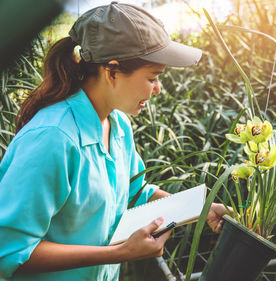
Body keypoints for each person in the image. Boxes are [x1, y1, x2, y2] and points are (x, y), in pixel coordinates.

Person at [0, 2, 227, 280]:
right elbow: (9, 252)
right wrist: (120, 253)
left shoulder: (118, 125)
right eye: (153, 77)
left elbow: (134, 191)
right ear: (112, 71)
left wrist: (200, 209)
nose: (158, 89)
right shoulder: (52, 138)